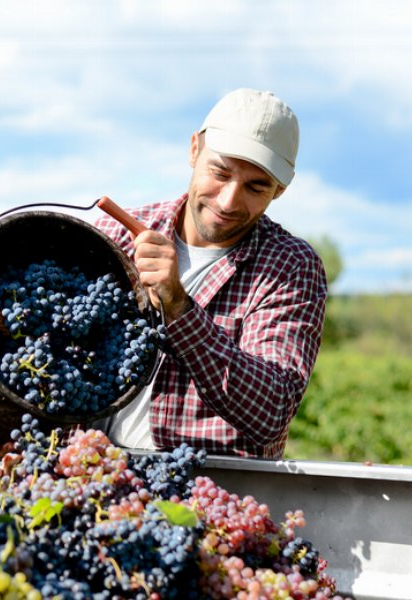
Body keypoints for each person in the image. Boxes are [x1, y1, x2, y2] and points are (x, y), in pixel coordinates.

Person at [87, 88, 328, 458]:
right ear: (194, 150)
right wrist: (6, 424)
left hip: (207, 491)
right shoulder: (117, 234)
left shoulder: (289, 267)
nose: (229, 200)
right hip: (92, 477)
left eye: (256, 186)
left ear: (279, 190)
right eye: (220, 172)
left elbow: (271, 409)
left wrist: (179, 307)